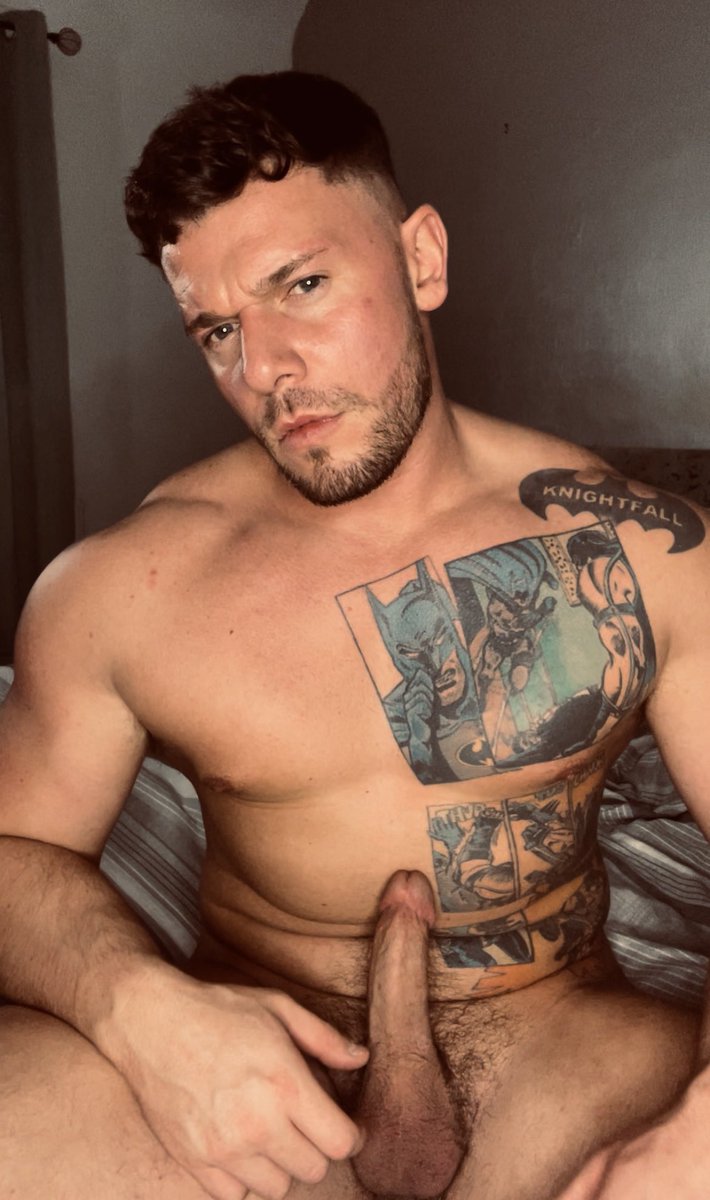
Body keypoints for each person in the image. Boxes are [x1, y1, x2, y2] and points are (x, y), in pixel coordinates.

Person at [0, 69, 708, 1200]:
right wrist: (137, 1008)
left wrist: (696, 1134)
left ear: (420, 258)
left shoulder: (644, 549)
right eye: (217, 329)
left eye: (303, 285)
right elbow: (12, 852)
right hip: (257, 1061)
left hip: (555, 1053)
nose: (264, 370)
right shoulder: (118, 587)